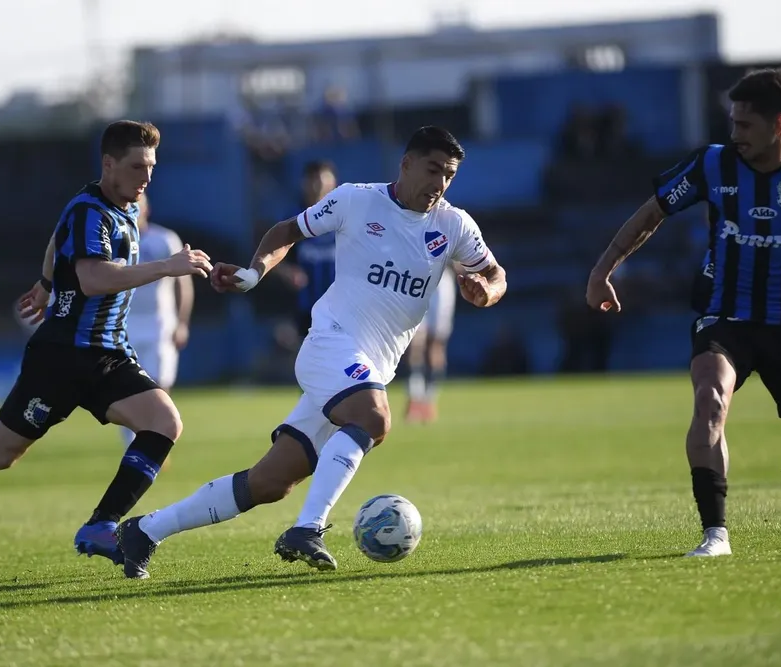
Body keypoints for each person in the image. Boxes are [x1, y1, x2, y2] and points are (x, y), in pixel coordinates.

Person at [114, 126, 508, 579]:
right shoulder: (356, 200)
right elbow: (287, 230)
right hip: (330, 344)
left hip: (364, 371)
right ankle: (307, 529)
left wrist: (487, 291)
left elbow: (496, 273)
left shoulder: (453, 225)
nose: (440, 184)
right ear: (406, 164)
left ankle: (144, 530)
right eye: (433, 170)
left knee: (267, 483)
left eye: (450, 176)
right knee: (374, 419)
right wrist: (252, 273)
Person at [0, 120, 213, 567]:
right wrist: (166, 267)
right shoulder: (91, 210)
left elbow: (56, 238)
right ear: (109, 164)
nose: (146, 176)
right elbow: (93, 278)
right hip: (62, 358)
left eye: (151, 166)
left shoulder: (122, 207)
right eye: (137, 166)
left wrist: (47, 281)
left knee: (164, 422)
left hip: (107, 354)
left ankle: (102, 525)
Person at [585, 68, 781, 558]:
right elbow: (653, 211)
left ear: (779, 124)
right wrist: (602, 270)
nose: (734, 134)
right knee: (710, 402)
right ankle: (715, 533)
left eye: (745, 125)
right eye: (732, 122)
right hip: (724, 316)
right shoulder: (712, 165)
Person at [121, 193, 194, 447]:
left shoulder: (165, 239)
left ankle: (156, 439)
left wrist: (182, 322)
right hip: (124, 325)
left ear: (147, 210)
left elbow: (183, 285)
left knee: (160, 386)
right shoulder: (115, 240)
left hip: (160, 324)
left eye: (137, 207)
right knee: (126, 388)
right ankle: (133, 444)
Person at [272, 160, 338, 340]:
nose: (318, 187)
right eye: (313, 181)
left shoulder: (342, 216)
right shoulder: (293, 218)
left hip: (341, 306)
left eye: (323, 181)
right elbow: (273, 258)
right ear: (304, 184)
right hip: (306, 307)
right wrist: (287, 272)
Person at [405, 264, 456, 423]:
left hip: (441, 280)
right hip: (416, 276)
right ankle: (415, 397)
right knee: (414, 342)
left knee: (436, 344)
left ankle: (429, 400)